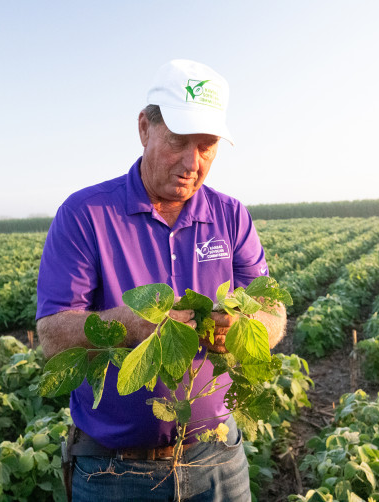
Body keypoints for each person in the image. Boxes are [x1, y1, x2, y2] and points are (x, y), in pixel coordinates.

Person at [36, 59, 286, 502]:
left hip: (218, 461)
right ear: (144, 129)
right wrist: (131, 327)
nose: (192, 162)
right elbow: (53, 336)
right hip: (112, 471)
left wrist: (248, 331)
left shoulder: (230, 215)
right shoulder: (84, 215)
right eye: (178, 141)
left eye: (207, 146)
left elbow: (273, 309)